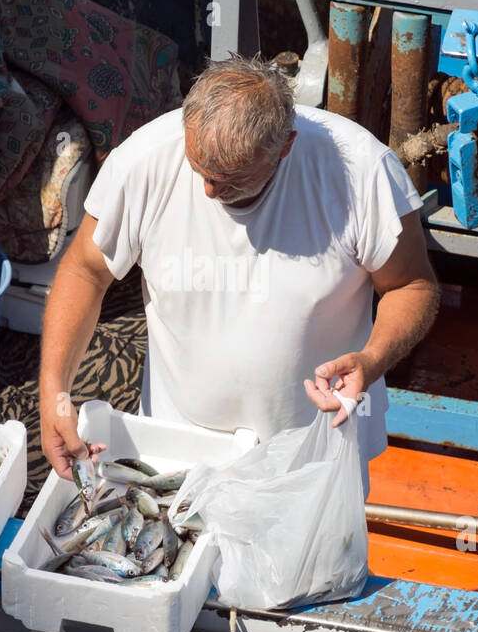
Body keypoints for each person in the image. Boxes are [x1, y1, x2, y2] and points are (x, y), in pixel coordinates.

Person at [39, 54, 440, 491]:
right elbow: (85, 272)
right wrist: (54, 390)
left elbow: (412, 286)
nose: (209, 190)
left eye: (228, 179)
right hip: (178, 451)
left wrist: (372, 359)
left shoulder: (361, 171)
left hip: (313, 455)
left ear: (285, 146)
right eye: (199, 169)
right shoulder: (144, 161)